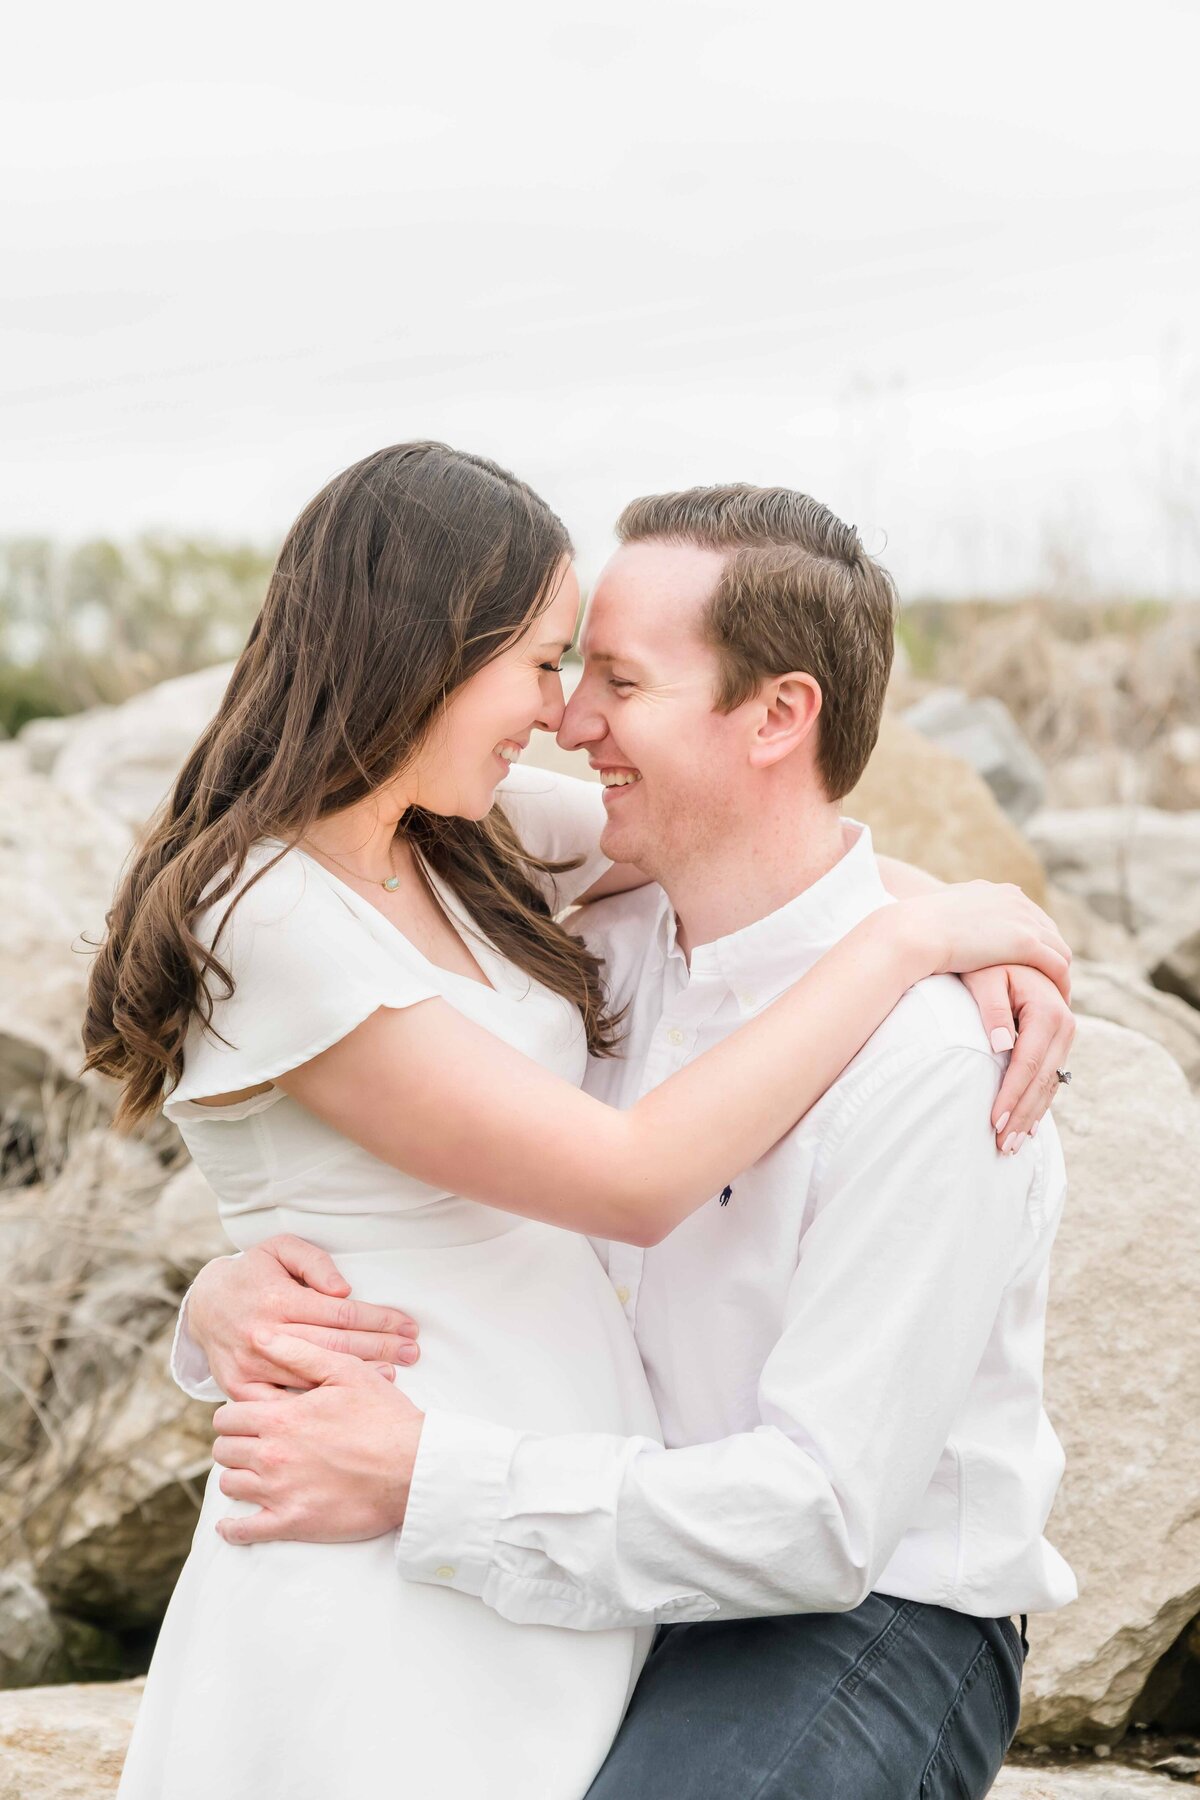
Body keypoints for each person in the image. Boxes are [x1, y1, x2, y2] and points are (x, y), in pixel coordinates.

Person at [84, 447, 1071, 1800]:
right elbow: (599, 1175)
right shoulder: (434, 898)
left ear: (777, 712)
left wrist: (948, 928)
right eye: (556, 664)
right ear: (426, 650)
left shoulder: (923, 1052)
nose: (565, 719)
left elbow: (788, 861)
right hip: (513, 1526)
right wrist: (221, 1298)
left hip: (836, 1597)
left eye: (611, 678)